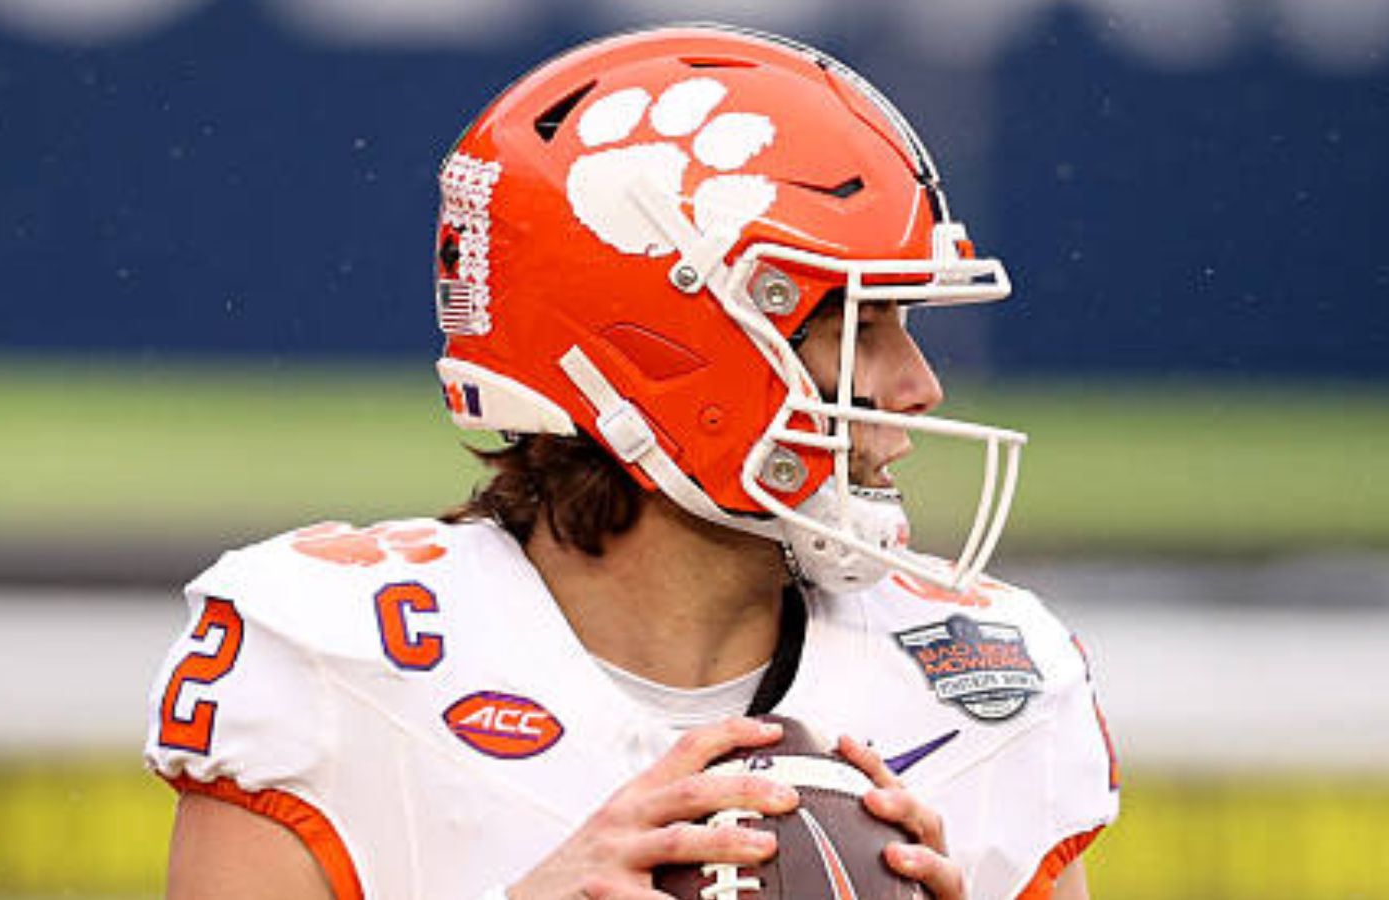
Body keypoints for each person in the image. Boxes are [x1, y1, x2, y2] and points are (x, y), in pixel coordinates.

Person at [146, 23, 1119, 900]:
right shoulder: (338, 658)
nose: (917, 386)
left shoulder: (988, 683)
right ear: (663, 352)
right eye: (854, 328)